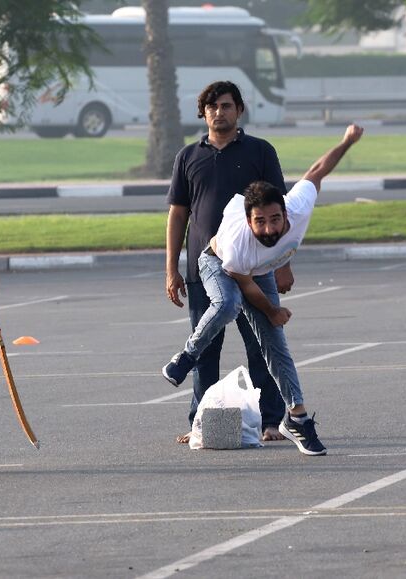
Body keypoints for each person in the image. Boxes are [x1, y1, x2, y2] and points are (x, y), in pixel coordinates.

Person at [162, 123, 364, 456]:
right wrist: (273, 311)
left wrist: (346, 142)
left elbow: (317, 171)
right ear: (248, 220)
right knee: (227, 304)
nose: (269, 229)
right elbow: (244, 288)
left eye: (275, 219)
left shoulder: (297, 208)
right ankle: (187, 355)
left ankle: (296, 418)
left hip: (261, 271)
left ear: (286, 212)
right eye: (260, 222)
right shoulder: (238, 241)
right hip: (218, 263)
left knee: (276, 345)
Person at [166, 80, 291, 444]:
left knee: (263, 344)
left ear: (239, 110)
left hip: (256, 265)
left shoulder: (260, 151)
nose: (219, 112)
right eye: (212, 107)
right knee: (205, 347)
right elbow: (178, 214)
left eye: (226, 106)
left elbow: (280, 210)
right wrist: (171, 269)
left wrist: (283, 262)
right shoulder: (188, 157)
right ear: (203, 113)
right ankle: (199, 423)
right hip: (204, 269)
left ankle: (272, 421)